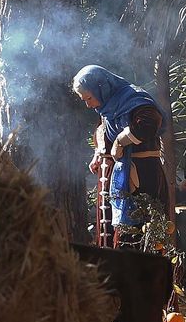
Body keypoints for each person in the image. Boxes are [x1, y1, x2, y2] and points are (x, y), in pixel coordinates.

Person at [72, 65, 170, 246]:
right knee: (111, 235)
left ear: (101, 88)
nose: (88, 105)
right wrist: (99, 153)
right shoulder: (107, 106)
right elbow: (104, 130)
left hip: (142, 179)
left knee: (137, 236)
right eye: (84, 100)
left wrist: (120, 141)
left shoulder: (134, 99)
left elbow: (149, 122)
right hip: (115, 181)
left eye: (89, 98)